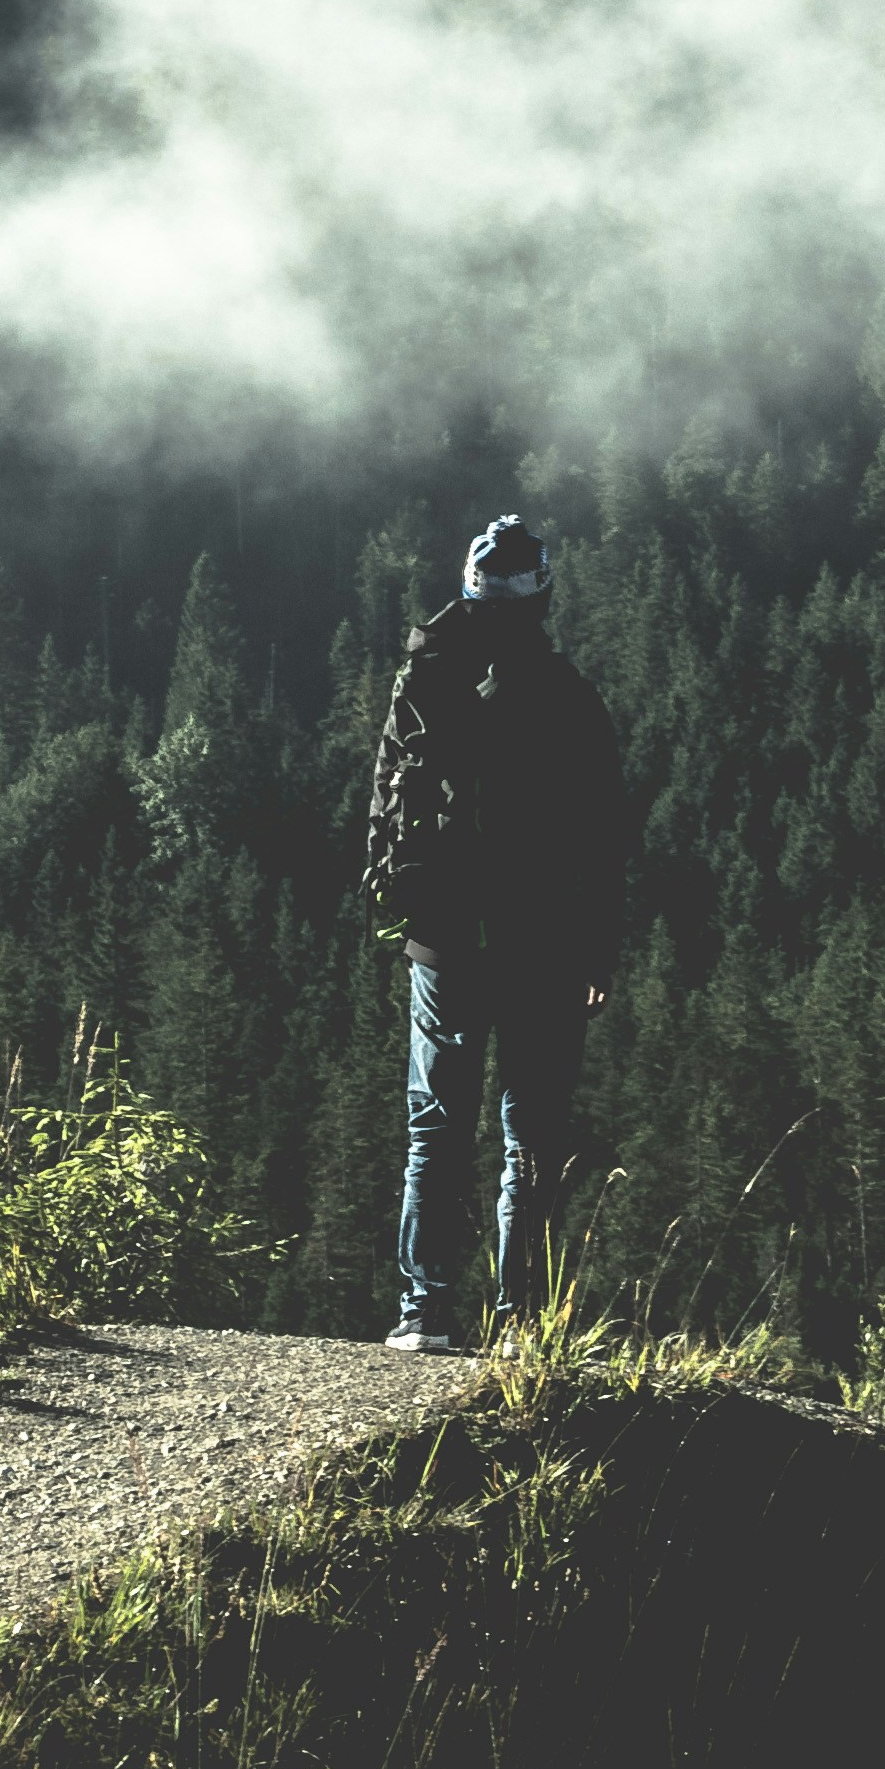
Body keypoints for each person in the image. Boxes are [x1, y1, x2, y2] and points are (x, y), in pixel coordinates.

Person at [362, 511, 624, 1351]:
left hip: (442, 938)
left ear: (468, 590)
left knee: (435, 1126)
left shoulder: (423, 681)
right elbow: (602, 840)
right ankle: (520, 1325)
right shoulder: (570, 699)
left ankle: (422, 1313)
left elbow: (386, 802)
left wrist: (393, 913)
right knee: (532, 1135)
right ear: (543, 596)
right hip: (543, 945)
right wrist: (599, 951)